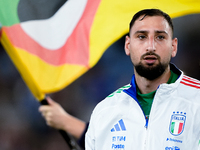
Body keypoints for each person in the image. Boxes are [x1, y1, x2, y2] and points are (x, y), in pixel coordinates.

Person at [85, 9, 200, 150]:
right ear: (128, 45)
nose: (150, 46)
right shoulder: (104, 111)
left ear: (173, 46)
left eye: (160, 37)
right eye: (141, 37)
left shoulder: (197, 100)